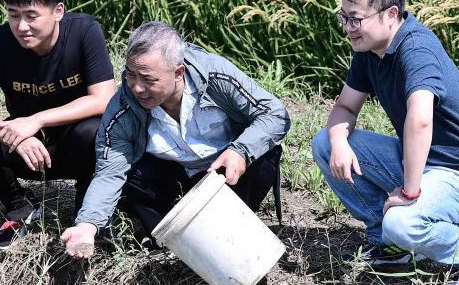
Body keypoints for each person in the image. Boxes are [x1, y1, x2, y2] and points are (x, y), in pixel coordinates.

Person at [311, 0, 459, 285]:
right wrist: (340, 142)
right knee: (326, 143)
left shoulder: (416, 48)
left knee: (404, 221)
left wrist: (409, 192)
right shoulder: (368, 50)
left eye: (356, 19)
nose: (348, 29)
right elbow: (345, 108)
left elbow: (420, 119)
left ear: (391, 14)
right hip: (422, 163)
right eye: (344, 18)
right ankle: (389, 242)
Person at [61, 21, 289, 258]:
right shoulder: (123, 107)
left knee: (264, 155)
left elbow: (275, 114)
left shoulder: (215, 76)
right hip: (173, 176)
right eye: (131, 75)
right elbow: (110, 170)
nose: (138, 88)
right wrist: (88, 225)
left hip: (224, 171)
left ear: (178, 72)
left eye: (149, 79)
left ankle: (232, 227)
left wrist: (241, 150)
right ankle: (168, 241)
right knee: (130, 176)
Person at [0, 0, 116, 247]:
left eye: (31, 16)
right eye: (13, 15)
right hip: (29, 151)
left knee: (94, 132)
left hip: (75, 147)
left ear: (58, 11)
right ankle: (19, 206)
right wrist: (15, 135)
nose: (21, 26)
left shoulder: (84, 32)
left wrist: (37, 119)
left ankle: (86, 211)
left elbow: (103, 99)